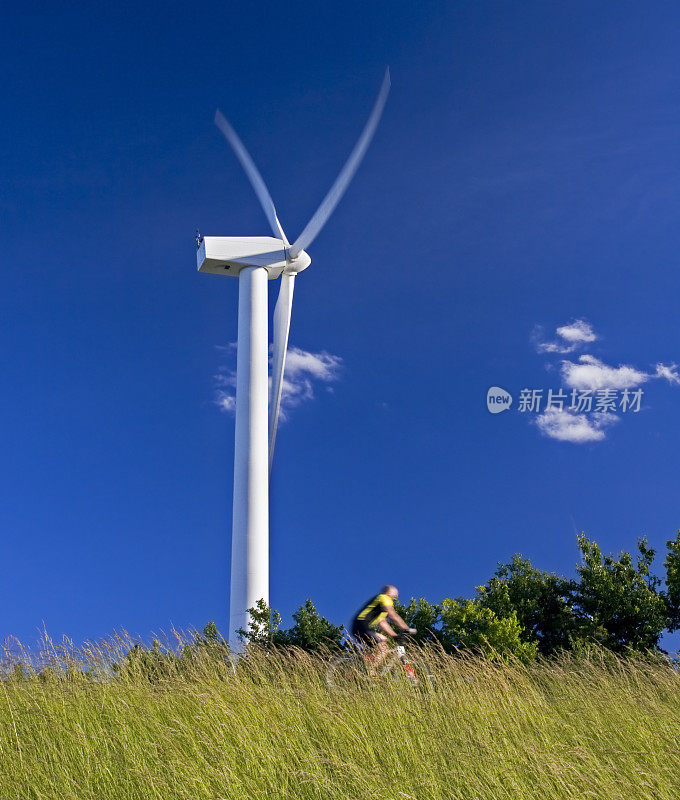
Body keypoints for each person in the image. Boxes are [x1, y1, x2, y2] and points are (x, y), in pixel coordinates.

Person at [351, 585, 416, 671]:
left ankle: (362, 663)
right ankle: (370, 673)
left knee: (384, 639)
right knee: (383, 648)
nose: (396, 597)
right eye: (395, 594)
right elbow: (392, 614)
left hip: (360, 627)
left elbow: (383, 623)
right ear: (388, 593)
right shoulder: (384, 598)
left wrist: (395, 636)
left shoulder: (380, 607)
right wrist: (407, 629)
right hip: (361, 626)